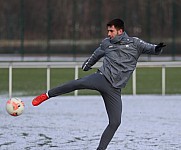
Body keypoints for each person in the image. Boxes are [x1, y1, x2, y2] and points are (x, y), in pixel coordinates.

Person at [32, 18, 166, 150]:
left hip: (115, 89)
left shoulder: (135, 43)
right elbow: (96, 55)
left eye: (111, 31)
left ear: (120, 31)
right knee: (77, 83)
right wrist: (87, 65)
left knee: (115, 122)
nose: (108, 34)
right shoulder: (107, 43)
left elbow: (152, 49)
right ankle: (47, 95)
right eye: (108, 31)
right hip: (101, 79)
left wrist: (158, 48)